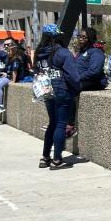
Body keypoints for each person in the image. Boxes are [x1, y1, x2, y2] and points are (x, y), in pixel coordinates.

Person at [35, 24, 81, 170]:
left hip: (46, 90)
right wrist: (77, 88)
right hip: (61, 90)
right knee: (61, 124)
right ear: (56, 37)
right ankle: (57, 160)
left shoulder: (39, 52)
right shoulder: (62, 52)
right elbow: (73, 76)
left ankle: (45, 157)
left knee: (52, 123)